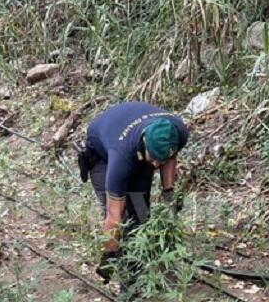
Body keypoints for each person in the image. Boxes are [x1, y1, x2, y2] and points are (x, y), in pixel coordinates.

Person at [78, 101, 189, 284]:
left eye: (159, 161)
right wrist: (109, 255)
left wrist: (169, 191)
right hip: (103, 155)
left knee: (140, 213)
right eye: (153, 159)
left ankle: (138, 269)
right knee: (121, 217)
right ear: (144, 141)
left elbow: (170, 156)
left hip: (135, 147)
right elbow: (114, 217)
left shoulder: (178, 131)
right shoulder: (120, 158)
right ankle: (125, 276)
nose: (156, 166)